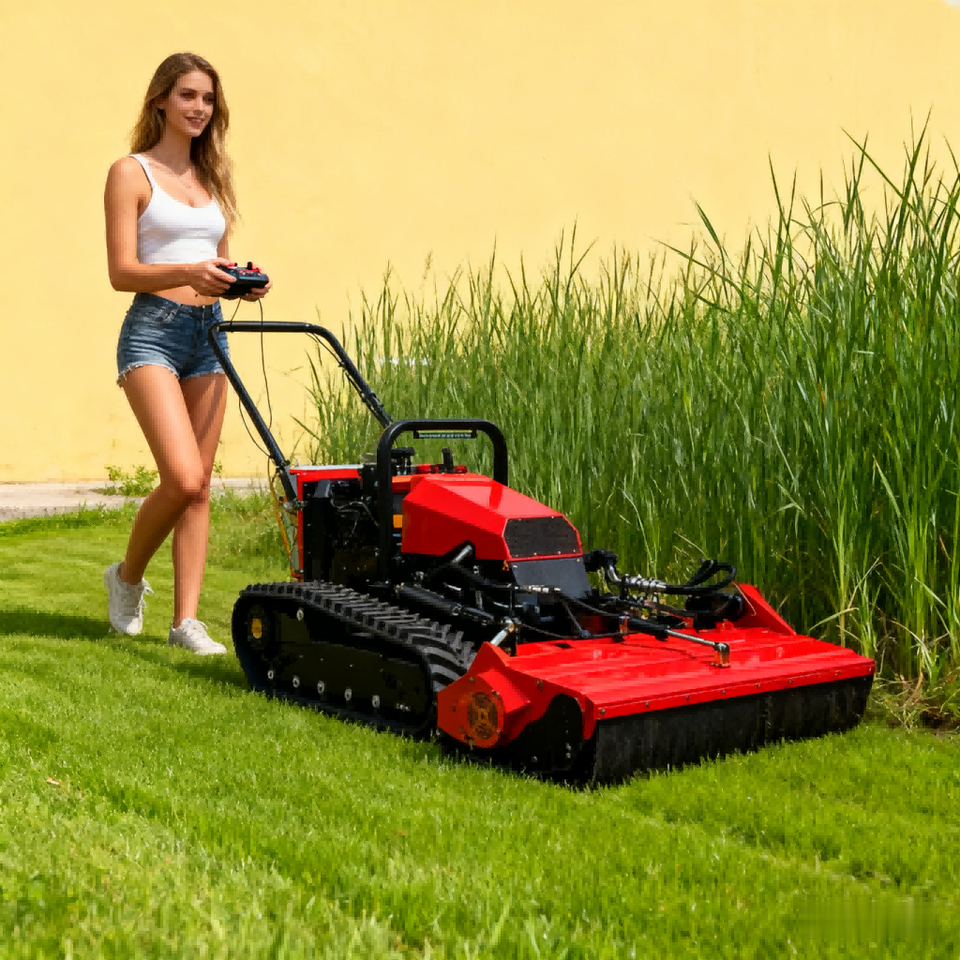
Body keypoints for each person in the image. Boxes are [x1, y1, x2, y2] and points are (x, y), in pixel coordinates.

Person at [102, 52, 269, 654]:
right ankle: (127, 578)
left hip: (209, 335)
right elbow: (122, 272)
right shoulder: (131, 172)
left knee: (200, 488)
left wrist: (238, 280)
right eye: (188, 96)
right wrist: (190, 273)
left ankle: (185, 623)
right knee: (183, 476)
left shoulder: (212, 176)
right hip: (153, 331)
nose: (200, 108)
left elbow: (216, 262)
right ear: (161, 101)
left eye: (208, 99)